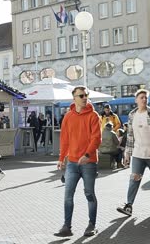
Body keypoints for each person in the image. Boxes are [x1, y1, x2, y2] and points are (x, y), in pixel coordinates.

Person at [55, 86, 101, 238]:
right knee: (68, 195)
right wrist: (62, 158)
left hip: (89, 162)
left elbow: (96, 138)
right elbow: (64, 140)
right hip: (72, 163)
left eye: (86, 95)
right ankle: (66, 227)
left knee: (89, 193)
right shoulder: (68, 116)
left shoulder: (93, 116)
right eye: (81, 95)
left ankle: (92, 225)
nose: (84, 98)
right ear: (74, 98)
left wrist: (87, 154)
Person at [116, 89, 150, 217]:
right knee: (134, 179)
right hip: (138, 154)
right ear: (136, 100)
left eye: (146, 97)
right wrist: (127, 153)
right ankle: (129, 205)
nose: (144, 99)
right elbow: (130, 135)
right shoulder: (132, 114)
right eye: (142, 97)